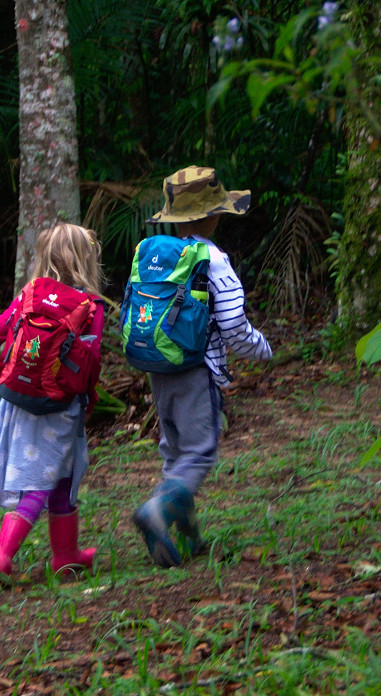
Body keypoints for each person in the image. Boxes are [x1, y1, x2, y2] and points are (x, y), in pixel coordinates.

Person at [0, 223, 106, 584]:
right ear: (87, 260)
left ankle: (65, 556)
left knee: (58, 476)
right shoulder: (90, 307)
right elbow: (90, 362)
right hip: (61, 407)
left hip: (18, 401)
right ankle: (2, 557)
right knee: (42, 482)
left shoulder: (30, 295)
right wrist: (90, 397)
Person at [131, 166, 273, 568]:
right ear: (213, 216)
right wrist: (261, 348)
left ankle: (190, 537)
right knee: (200, 452)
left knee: (177, 453)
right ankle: (157, 511)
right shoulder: (212, 259)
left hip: (159, 368)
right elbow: (232, 325)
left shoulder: (156, 253)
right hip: (198, 370)